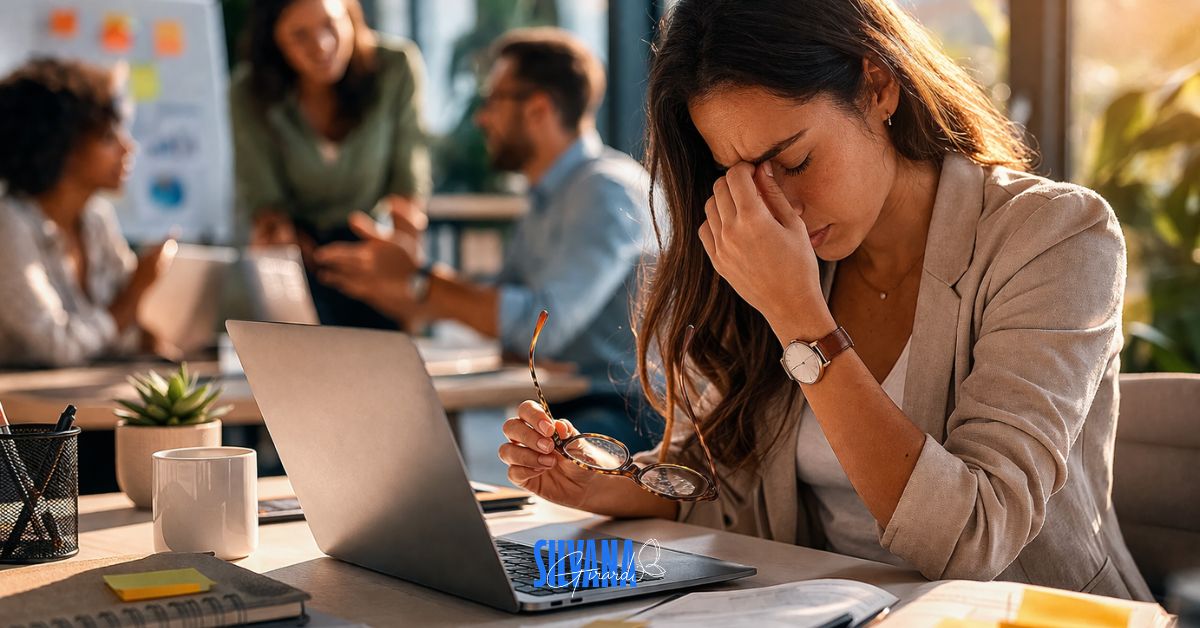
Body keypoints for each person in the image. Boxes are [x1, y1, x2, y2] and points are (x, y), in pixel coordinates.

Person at [498, 0, 1154, 601]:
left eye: (796, 160)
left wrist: (800, 319)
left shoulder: (1058, 236)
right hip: (828, 607)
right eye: (742, 176)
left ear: (878, 87)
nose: (775, 205)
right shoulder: (799, 251)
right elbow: (736, 490)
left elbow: (974, 539)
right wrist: (612, 485)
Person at [316, 28, 658, 449]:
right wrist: (402, 288)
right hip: (567, 407)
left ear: (537, 109)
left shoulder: (605, 191)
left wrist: (420, 279)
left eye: (493, 100)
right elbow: (501, 308)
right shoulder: (549, 197)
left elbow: (537, 330)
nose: (481, 117)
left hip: (627, 415)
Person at [230, 0, 431, 328]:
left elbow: (408, 181)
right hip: (299, 256)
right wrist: (286, 245)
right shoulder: (249, 92)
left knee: (390, 359)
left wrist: (405, 276)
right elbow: (264, 200)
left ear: (351, 17)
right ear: (275, 41)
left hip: (372, 248)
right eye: (300, 35)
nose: (321, 45)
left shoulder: (395, 67)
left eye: (330, 25)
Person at [0, 58, 175, 369]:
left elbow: (125, 331)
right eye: (108, 137)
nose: (128, 147)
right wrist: (136, 291)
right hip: (27, 414)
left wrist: (146, 332)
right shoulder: (8, 222)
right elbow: (55, 347)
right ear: (59, 147)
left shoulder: (95, 218)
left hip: (84, 400)